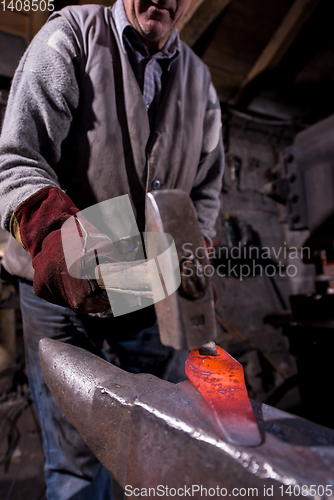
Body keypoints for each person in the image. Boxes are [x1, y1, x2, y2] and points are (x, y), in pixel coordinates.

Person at [0, 0, 224, 498]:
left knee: (145, 441)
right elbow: (18, 158)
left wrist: (196, 251)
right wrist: (53, 233)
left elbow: (207, 189)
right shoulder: (72, 34)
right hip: (58, 290)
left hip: (150, 295)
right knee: (76, 454)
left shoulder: (201, 83)